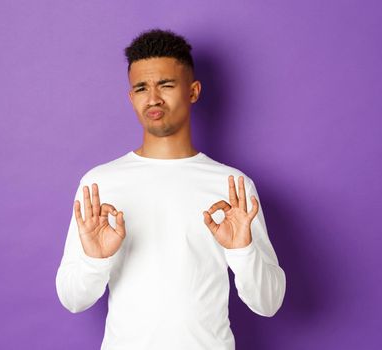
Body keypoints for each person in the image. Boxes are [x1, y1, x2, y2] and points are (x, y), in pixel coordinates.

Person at [55, 28, 286, 350]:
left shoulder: (232, 186)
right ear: (131, 96)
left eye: (166, 85)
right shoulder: (99, 184)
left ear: (193, 91)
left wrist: (242, 251)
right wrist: (95, 259)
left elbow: (269, 303)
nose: (153, 99)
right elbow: (73, 299)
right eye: (141, 88)